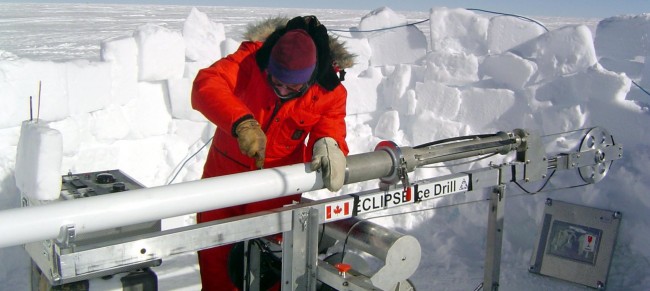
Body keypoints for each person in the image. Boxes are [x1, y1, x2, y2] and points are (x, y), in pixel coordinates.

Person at [191, 15, 355, 290]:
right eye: (274, 82)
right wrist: (242, 121)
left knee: (271, 269)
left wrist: (328, 144)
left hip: (276, 189)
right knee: (216, 259)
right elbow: (206, 84)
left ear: (310, 78)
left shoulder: (329, 91)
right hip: (222, 182)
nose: (280, 91)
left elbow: (330, 128)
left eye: (291, 88)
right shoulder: (251, 58)